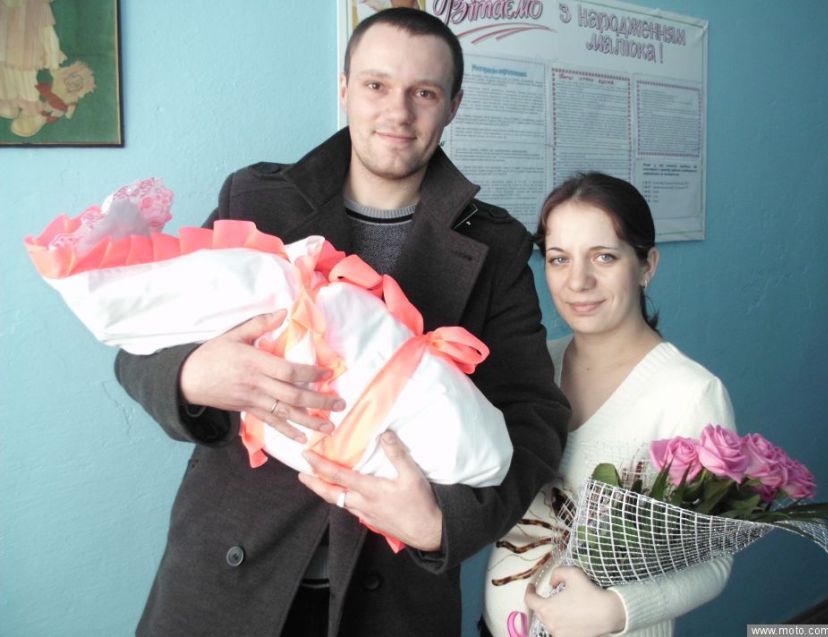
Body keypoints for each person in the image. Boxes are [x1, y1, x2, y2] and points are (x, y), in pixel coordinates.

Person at [115, 8, 569, 637]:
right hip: (228, 576)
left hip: (392, 595)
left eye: (424, 93)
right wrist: (192, 374)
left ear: (453, 106)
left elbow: (535, 415)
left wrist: (444, 523)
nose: (398, 112)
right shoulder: (256, 199)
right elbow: (140, 338)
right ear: (345, 89)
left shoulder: (496, 243)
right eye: (377, 85)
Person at [483, 172, 735, 637]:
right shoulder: (531, 369)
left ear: (646, 265)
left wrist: (615, 611)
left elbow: (714, 561)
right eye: (559, 259)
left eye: (604, 256)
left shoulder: (689, 394)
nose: (578, 281)